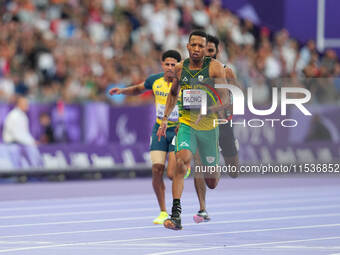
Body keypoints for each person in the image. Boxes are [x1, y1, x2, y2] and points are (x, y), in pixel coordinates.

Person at [157, 30, 229, 230]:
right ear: (187, 47)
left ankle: (213, 162)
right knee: (182, 161)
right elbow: (173, 94)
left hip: (208, 128)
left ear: (206, 49)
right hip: (187, 123)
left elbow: (225, 99)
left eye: (201, 46)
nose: (197, 49)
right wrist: (164, 119)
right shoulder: (180, 69)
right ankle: (176, 215)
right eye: (193, 45)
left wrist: (207, 109)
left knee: (212, 181)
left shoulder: (215, 69)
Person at [109, 50, 188, 224]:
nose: (169, 67)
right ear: (162, 65)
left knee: (171, 173)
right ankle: (163, 212)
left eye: (173, 64)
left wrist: (184, 123)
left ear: (179, 65)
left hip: (178, 130)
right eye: (166, 64)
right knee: (156, 170)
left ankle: (183, 167)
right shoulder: (155, 80)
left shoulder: (184, 83)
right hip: (159, 129)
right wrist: (122, 90)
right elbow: (138, 89)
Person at [192, 34, 240, 224]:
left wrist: (224, 108)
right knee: (199, 166)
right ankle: (202, 208)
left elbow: (235, 94)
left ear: (217, 52)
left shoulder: (227, 71)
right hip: (203, 125)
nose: (207, 54)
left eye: (211, 51)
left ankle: (223, 151)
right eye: (204, 50)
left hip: (223, 124)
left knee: (234, 172)